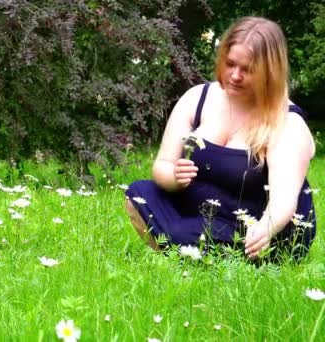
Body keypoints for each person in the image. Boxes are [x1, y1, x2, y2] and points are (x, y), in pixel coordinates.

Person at [124, 16, 317, 261]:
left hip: (254, 228)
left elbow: (283, 203)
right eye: (230, 64)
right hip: (199, 211)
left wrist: (265, 229)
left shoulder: (287, 122)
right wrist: (174, 177)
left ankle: (186, 252)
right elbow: (162, 164)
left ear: (270, 72)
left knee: (183, 231)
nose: (235, 75)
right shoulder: (198, 97)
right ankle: (185, 248)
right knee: (140, 193)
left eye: (247, 70)